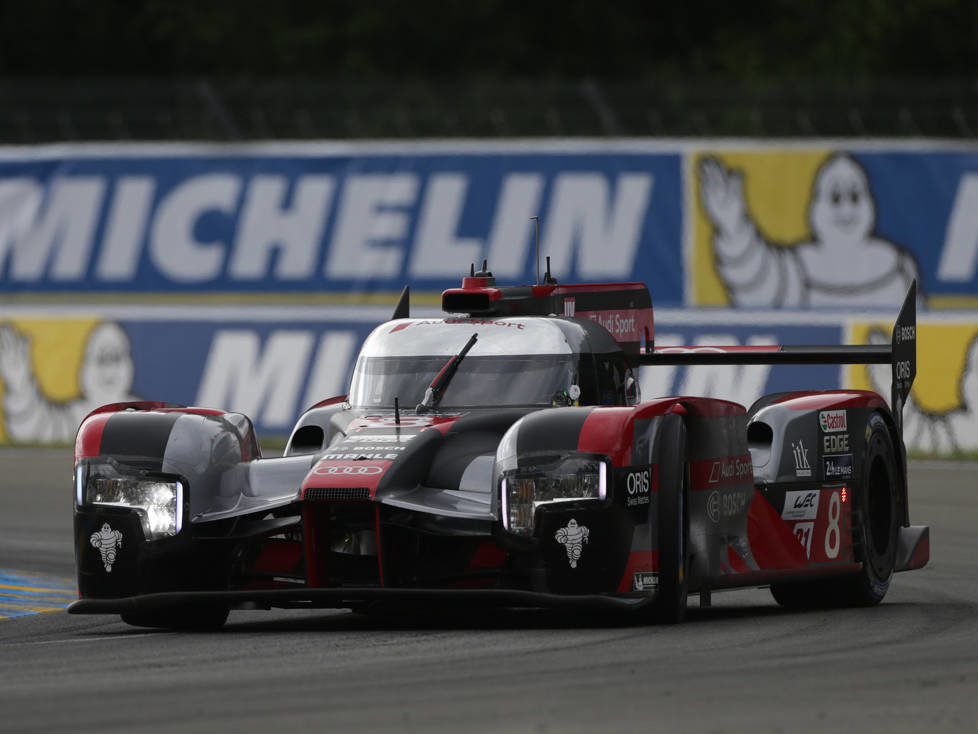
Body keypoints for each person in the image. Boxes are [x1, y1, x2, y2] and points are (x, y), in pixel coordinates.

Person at [699, 153, 920, 308]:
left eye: (854, 196)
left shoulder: (899, 268)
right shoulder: (798, 267)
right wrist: (734, 229)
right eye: (835, 197)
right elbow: (757, 285)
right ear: (817, 207)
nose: (846, 209)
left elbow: (923, 335)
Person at [0, 321, 138, 442]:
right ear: (85, 367)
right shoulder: (74, 419)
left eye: (116, 357)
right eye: (100, 358)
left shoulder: (144, 418)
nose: (109, 368)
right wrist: (20, 386)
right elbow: (36, 431)